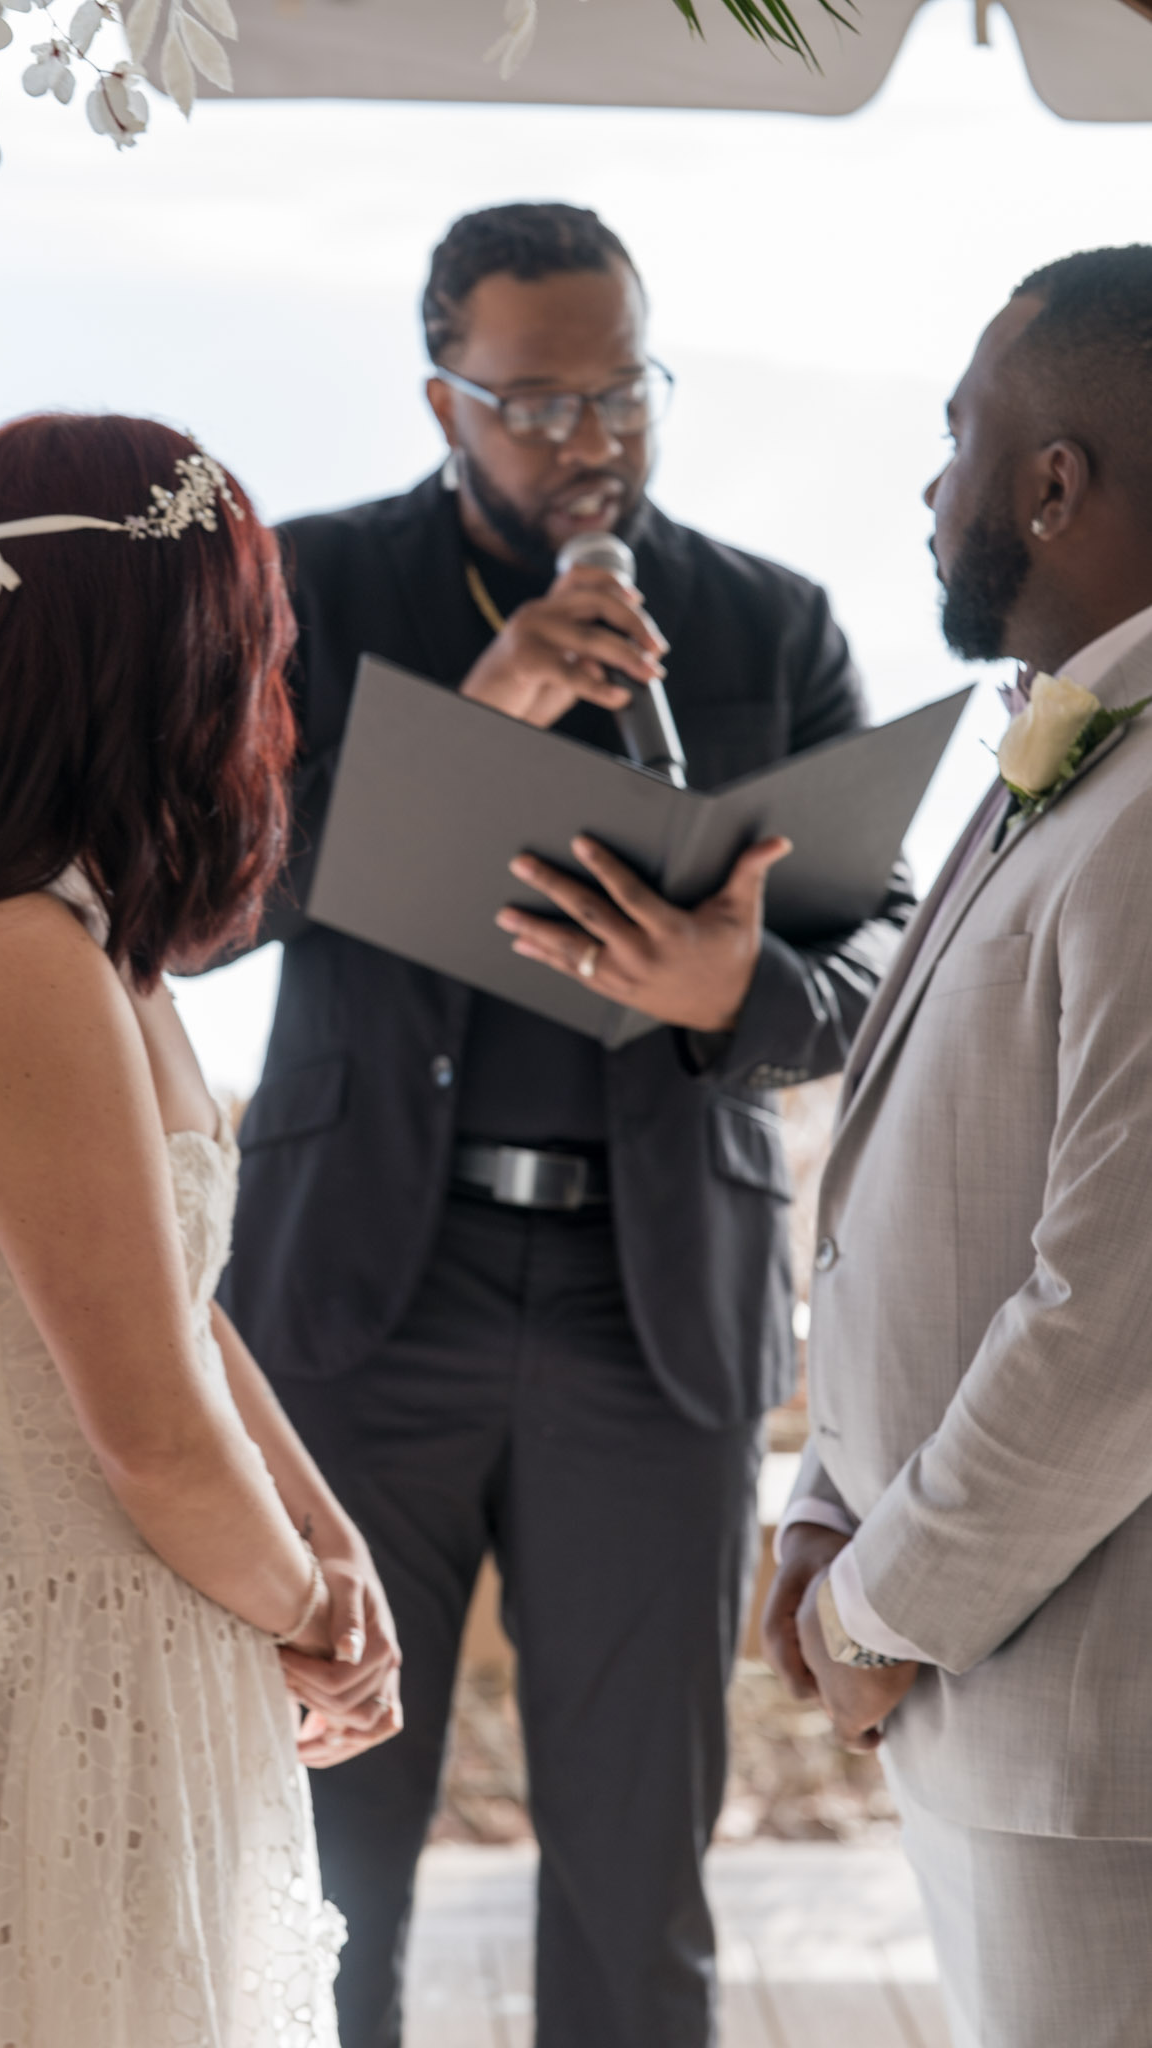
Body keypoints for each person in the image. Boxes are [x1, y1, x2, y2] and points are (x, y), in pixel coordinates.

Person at [213, 202, 914, 2048]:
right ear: (440, 400)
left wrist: (736, 991)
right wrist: (476, 716)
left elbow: (882, 960)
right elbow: (208, 899)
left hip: (655, 1303)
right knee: (322, 1861)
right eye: (534, 404)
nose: (588, 439)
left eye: (622, 392)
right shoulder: (307, 588)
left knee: (635, 1868)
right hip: (364, 1294)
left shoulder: (768, 621)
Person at [0, 414, 404, 2048]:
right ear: (168, 655)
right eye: (251, 637)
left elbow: (167, 1302)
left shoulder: (83, 941)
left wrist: (331, 1542)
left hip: (127, 1640)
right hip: (48, 1660)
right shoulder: (11, 956)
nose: (267, 683)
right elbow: (145, 1430)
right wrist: (311, 1620)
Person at [763, 245, 1152, 2048]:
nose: (929, 492)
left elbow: (1115, 1312)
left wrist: (882, 1605)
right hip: (998, 1712)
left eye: (955, 440)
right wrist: (824, 1505)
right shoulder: (1074, 754)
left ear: (1052, 484)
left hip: (1100, 1745)